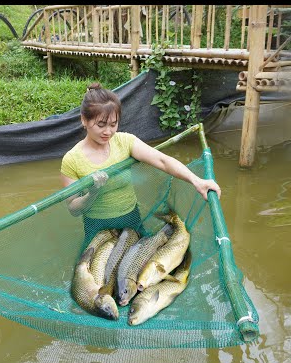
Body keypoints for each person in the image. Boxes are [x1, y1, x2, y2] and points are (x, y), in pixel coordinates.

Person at [61, 82, 221, 246]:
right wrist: (93, 193)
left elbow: (163, 161)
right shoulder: (72, 159)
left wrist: (197, 181)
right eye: (101, 125)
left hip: (130, 218)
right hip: (96, 226)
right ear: (84, 120)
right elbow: (73, 208)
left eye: (113, 124)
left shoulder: (124, 142)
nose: (108, 132)